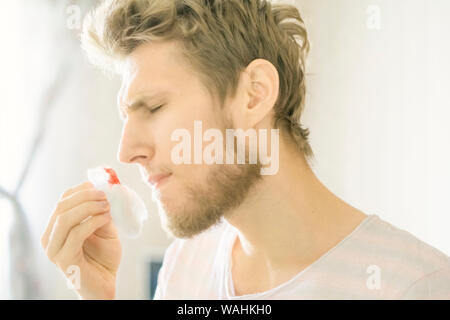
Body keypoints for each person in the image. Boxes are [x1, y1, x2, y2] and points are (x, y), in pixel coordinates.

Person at [41, 0, 450, 299]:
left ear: (254, 95)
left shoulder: (415, 286)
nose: (127, 150)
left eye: (154, 107)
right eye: (126, 116)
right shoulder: (186, 263)